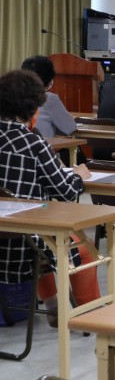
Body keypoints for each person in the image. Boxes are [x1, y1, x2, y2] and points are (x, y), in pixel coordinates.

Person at [0, 70, 98, 326]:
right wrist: (78, 176)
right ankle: (91, 316)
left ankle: (53, 305)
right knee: (81, 247)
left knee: (43, 231)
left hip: (6, 239)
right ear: (33, 107)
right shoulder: (33, 143)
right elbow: (65, 191)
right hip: (21, 248)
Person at [20, 55, 76, 138]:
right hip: (40, 145)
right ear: (50, 80)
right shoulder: (49, 99)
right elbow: (69, 128)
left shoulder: (9, 97)